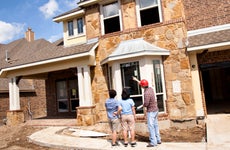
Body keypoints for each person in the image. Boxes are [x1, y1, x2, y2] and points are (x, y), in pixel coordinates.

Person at [133, 77, 162, 147]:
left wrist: (140, 106)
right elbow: (142, 83)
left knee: (151, 126)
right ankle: (158, 139)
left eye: (141, 85)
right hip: (156, 110)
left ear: (142, 86)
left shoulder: (146, 93)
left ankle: (153, 142)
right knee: (156, 125)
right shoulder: (151, 89)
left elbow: (146, 104)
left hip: (151, 111)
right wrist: (136, 80)